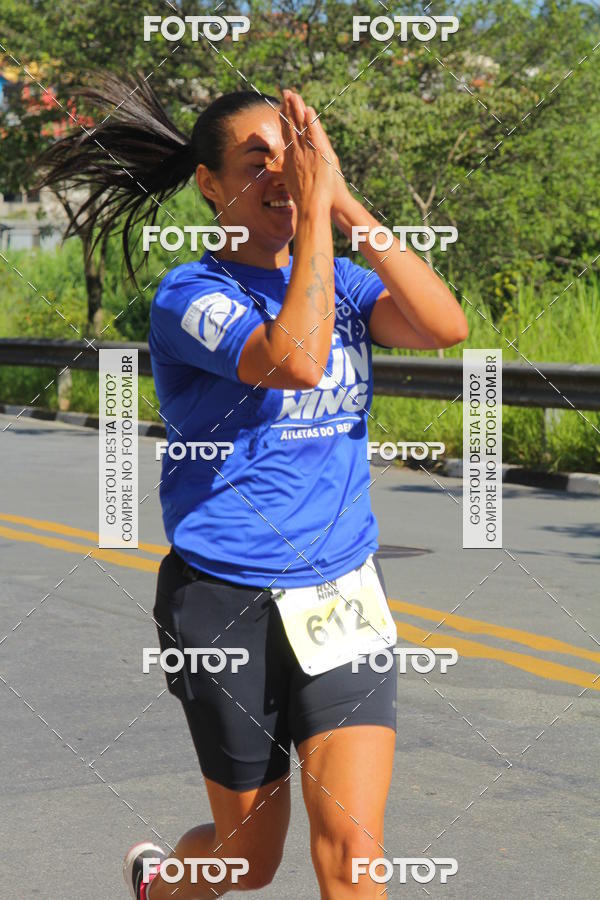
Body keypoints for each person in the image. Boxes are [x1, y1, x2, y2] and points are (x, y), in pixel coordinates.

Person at [36, 74, 468, 899]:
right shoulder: (189, 295)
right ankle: (161, 885)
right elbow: (294, 360)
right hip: (225, 599)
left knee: (351, 851)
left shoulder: (343, 282)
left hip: (341, 587)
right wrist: (310, 229)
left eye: (295, 153)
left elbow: (446, 327)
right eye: (256, 158)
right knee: (250, 860)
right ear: (209, 184)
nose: (282, 171)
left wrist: (341, 207)